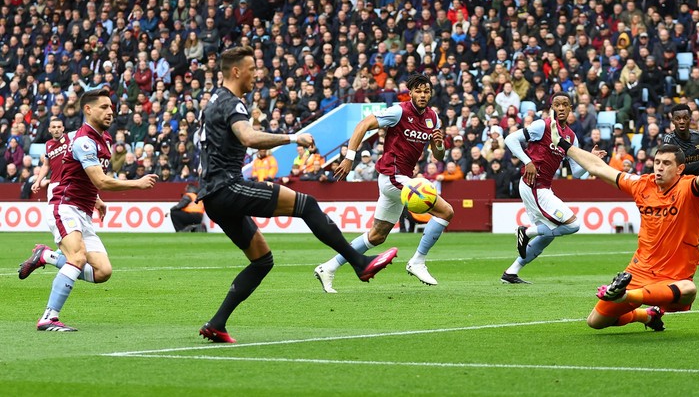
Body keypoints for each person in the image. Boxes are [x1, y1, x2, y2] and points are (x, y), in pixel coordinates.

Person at [197, 46, 398, 343]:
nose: (257, 74)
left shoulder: (213, 100)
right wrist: (294, 137)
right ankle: (360, 263)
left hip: (215, 195)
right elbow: (248, 137)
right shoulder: (232, 103)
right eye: (252, 69)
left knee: (262, 261)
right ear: (236, 71)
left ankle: (217, 324)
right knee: (307, 204)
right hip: (226, 186)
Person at [552, 112, 699, 332]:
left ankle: (626, 296)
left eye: (666, 164)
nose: (659, 167)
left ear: (680, 169)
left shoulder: (688, 188)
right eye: (657, 162)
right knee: (595, 322)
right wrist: (563, 145)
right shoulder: (641, 184)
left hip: (674, 278)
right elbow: (596, 166)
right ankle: (647, 315)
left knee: (689, 289)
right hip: (638, 272)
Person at [17, 88, 158, 332]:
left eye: (111, 107)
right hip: (65, 206)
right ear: (88, 109)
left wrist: (96, 200)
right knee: (78, 257)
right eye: (103, 107)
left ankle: (46, 256)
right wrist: (138, 183)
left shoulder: (105, 140)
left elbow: (83, 176)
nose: (110, 111)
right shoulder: (82, 140)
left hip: (83, 210)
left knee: (103, 271)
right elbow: (99, 180)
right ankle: (49, 317)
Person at [315, 72, 450, 292]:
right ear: (410, 93)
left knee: (377, 236)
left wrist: (439, 145)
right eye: (418, 91)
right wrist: (350, 157)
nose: (423, 95)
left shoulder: (432, 118)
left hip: (399, 178)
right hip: (392, 176)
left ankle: (328, 267)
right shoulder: (398, 111)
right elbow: (363, 124)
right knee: (446, 212)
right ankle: (417, 261)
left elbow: (439, 156)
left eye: (427, 91)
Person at [500, 93, 604, 284]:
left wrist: (592, 158)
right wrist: (527, 161)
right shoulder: (542, 126)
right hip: (533, 185)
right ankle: (526, 231)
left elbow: (578, 173)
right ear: (552, 107)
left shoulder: (571, 137)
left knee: (547, 236)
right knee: (573, 225)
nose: (561, 108)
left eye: (565, 104)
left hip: (544, 187)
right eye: (557, 104)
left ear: (571, 108)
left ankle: (511, 273)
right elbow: (510, 140)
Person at [663, 103, 699, 235]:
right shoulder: (669, 141)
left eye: (685, 117)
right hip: (676, 186)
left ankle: (692, 241)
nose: (681, 121)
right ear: (673, 121)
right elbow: (677, 169)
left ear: (690, 119)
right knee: (676, 223)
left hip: (696, 184)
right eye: (678, 118)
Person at [29, 117, 73, 202]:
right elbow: (46, 165)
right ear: (49, 129)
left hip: (69, 182)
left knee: (68, 212)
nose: (56, 129)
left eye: (59, 127)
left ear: (63, 128)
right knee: (51, 213)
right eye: (54, 127)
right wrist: (38, 181)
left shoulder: (70, 138)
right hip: (54, 184)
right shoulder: (48, 144)